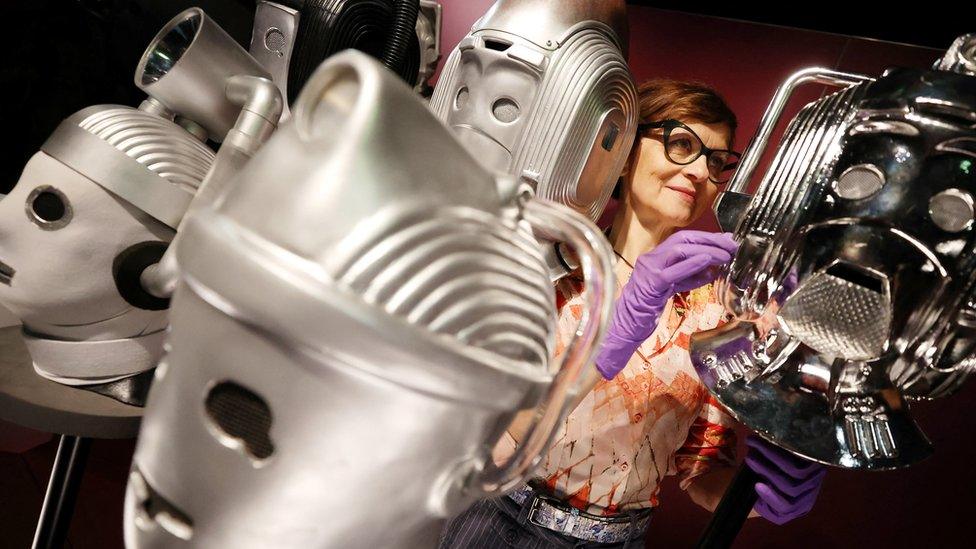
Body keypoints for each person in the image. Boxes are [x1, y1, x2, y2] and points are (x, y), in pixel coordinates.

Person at [439, 79, 826, 548]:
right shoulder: (553, 266)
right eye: (681, 144)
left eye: (717, 161)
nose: (701, 171)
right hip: (503, 522)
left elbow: (701, 467)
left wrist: (761, 495)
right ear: (623, 153)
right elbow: (486, 428)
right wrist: (606, 340)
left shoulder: (715, 313)